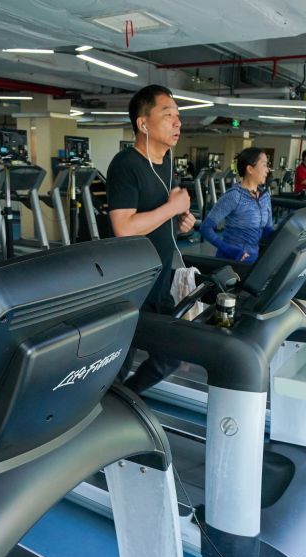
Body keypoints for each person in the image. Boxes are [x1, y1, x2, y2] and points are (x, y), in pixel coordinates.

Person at [107, 84, 196, 395]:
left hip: (159, 282)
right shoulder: (125, 164)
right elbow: (124, 228)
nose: (177, 122)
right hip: (130, 287)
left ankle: (127, 400)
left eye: (178, 116)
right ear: (143, 124)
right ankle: (110, 407)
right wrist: (172, 208)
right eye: (168, 115)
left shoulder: (167, 161)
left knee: (172, 354)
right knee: (117, 366)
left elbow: (158, 218)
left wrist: (181, 223)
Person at [198, 147, 273, 263]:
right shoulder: (234, 196)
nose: (267, 170)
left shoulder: (265, 197)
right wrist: (229, 250)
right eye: (264, 165)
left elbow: (268, 230)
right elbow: (205, 228)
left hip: (253, 261)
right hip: (232, 261)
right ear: (250, 169)